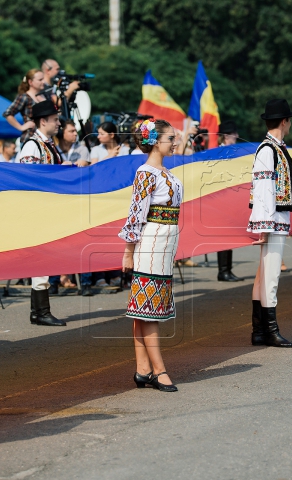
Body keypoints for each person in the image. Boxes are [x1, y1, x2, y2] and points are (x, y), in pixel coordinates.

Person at [119, 118, 182, 392]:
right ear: (156, 141)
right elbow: (136, 214)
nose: (174, 142)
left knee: (145, 309)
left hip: (165, 243)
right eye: (170, 138)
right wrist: (128, 252)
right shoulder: (146, 172)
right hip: (151, 243)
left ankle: (142, 369)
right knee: (148, 310)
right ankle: (159, 370)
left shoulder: (165, 173)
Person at [247, 99, 292, 348]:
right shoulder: (269, 150)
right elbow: (263, 190)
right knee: (271, 276)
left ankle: (259, 331)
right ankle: (270, 330)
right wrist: (265, 227)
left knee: (263, 276)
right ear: (284, 121)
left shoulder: (272, 148)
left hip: (273, 219)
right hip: (271, 220)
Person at [16, 100, 66, 326]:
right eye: (55, 120)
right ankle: (40, 311)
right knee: (42, 259)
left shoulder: (48, 144)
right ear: (43, 121)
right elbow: (28, 177)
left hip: (47, 208)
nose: (58, 123)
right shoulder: (32, 146)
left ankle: (39, 311)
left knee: (45, 258)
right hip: (37, 209)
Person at [215, 120, 242, 282]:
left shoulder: (230, 153)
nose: (236, 136)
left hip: (229, 198)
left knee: (230, 235)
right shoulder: (220, 154)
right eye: (233, 134)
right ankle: (223, 271)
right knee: (224, 235)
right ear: (226, 136)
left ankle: (227, 270)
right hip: (221, 199)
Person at [3, 69, 46, 142]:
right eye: (40, 80)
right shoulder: (25, 97)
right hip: (30, 138)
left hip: (44, 139)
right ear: (30, 82)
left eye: (43, 79)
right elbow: (8, 113)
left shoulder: (45, 96)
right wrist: (21, 127)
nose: (43, 82)